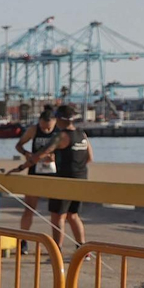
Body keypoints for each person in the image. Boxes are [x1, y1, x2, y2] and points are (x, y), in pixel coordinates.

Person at [49, 104, 92, 251]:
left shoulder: (62, 136)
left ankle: (57, 250)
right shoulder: (82, 134)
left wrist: (25, 164)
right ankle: (82, 248)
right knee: (73, 215)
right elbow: (90, 157)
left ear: (60, 119)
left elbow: (44, 152)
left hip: (64, 180)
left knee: (58, 216)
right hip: (81, 178)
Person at [14, 109, 59, 232]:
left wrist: (56, 157)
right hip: (35, 170)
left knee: (57, 212)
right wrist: (26, 153)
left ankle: (57, 241)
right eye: (43, 128)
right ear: (39, 122)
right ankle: (23, 237)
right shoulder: (33, 130)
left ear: (55, 122)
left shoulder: (59, 132)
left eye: (49, 128)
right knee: (29, 208)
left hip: (54, 172)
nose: (46, 130)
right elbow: (19, 145)